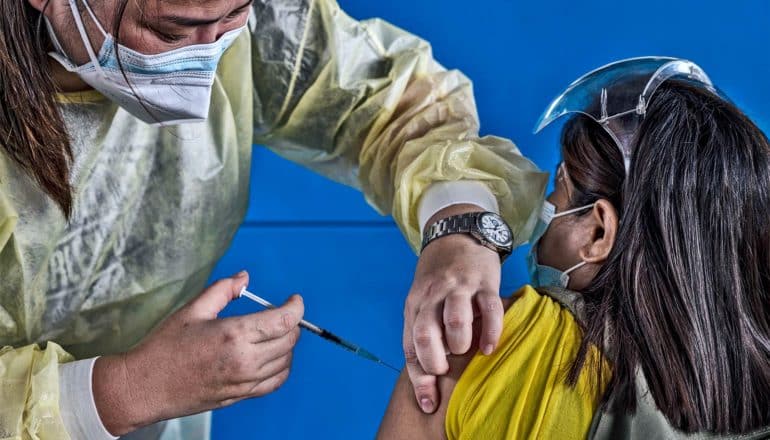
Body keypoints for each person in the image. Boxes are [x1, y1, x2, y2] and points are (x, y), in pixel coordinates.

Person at [0, 0, 548, 438]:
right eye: (170, 31)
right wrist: (122, 391)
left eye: (233, 18)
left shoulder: (253, 22)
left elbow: (393, 102)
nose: (206, 59)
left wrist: (459, 226)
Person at [377, 58, 770, 439]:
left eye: (559, 189)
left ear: (598, 232)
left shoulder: (489, 342)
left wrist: (453, 224)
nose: (544, 210)